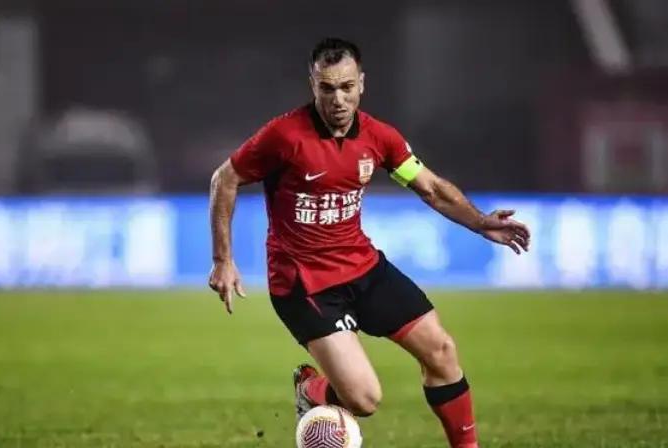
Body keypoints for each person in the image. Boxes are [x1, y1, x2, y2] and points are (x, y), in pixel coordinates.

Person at [208, 37, 530, 448]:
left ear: (362, 82)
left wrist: (480, 222)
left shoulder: (379, 138)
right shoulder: (284, 136)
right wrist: (223, 259)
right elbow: (225, 179)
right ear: (312, 85)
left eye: (346, 87)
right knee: (364, 400)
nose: (338, 99)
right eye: (327, 88)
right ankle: (311, 389)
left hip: (364, 268)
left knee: (442, 351)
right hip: (305, 284)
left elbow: (430, 188)